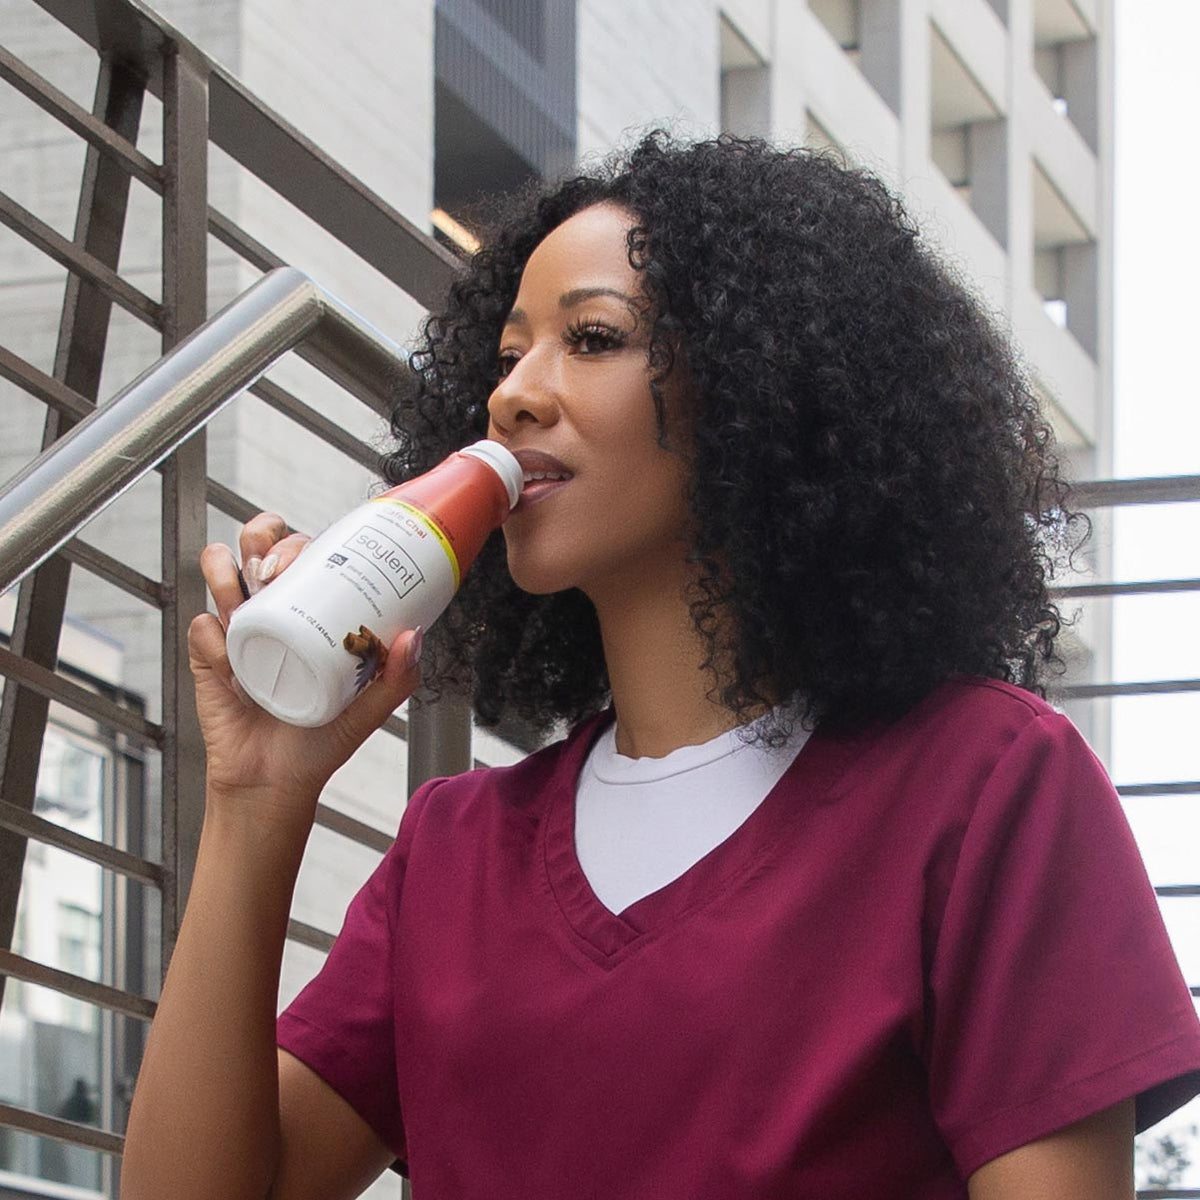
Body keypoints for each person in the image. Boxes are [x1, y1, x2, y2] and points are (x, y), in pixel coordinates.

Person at [120, 133, 1200, 1199]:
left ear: (761, 383)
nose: (513, 397)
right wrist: (257, 800)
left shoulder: (988, 782)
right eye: (505, 357)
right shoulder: (453, 852)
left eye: (591, 339)